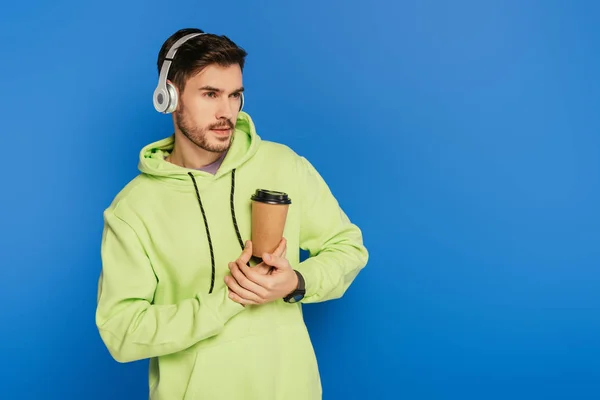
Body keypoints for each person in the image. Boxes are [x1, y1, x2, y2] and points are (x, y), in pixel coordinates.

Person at [95, 27, 369, 400]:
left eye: (235, 95)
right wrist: (227, 300)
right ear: (169, 97)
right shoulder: (132, 209)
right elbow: (122, 331)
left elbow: (348, 248)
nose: (227, 112)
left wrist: (296, 283)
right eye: (210, 94)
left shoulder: (284, 165)